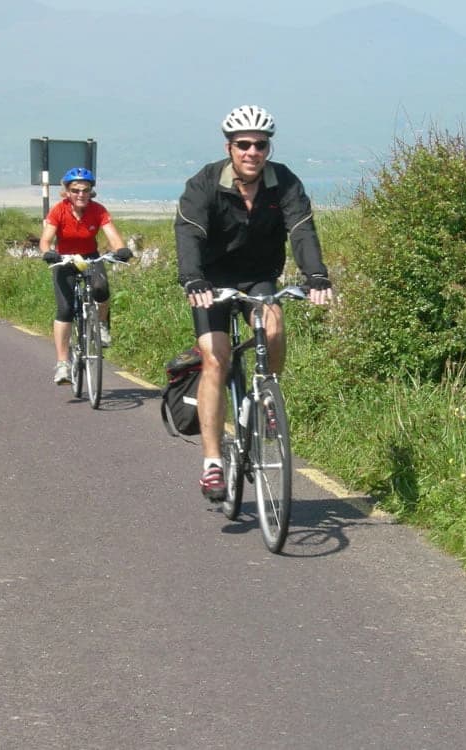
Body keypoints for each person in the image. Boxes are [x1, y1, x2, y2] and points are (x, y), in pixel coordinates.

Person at [174, 104, 334, 501]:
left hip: (259, 277)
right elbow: (189, 231)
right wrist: (193, 277)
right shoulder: (205, 183)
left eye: (260, 145)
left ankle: (267, 397)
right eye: (243, 144)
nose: (252, 152)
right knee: (215, 359)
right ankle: (212, 463)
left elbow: (301, 229)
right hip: (210, 282)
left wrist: (316, 274)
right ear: (230, 148)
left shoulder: (285, 184)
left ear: (268, 148)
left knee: (274, 325)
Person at [39, 167, 131, 385]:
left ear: (91, 191)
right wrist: (48, 253)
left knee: (101, 288)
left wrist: (121, 250)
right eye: (75, 190)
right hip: (64, 259)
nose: (81, 194)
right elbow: (45, 240)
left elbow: (112, 235)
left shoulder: (98, 211)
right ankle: (63, 363)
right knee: (65, 309)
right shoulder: (58, 211)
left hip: (89, 257)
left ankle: (101, 325)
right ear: (67, 192)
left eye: (85, 190)